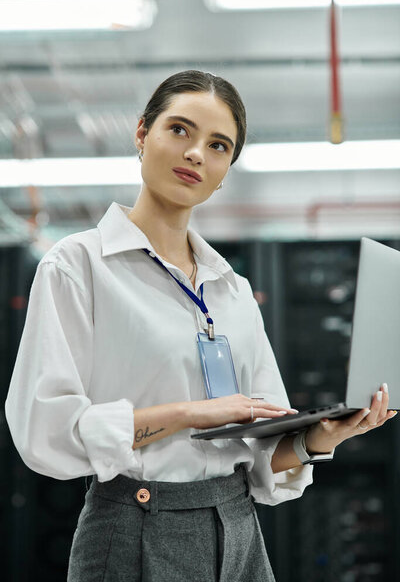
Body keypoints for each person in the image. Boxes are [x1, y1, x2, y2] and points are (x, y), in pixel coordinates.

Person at [5, 70, 396, 582]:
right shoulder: (77, 266)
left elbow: (261, 460)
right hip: (136, 526)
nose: (196, 154)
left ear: (225, 170)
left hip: (239, 528)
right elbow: (45, 434)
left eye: (218, 145)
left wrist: (319, 439)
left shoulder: (232, 290)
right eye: (180, 131)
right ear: (142, 134)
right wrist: (190, 413)